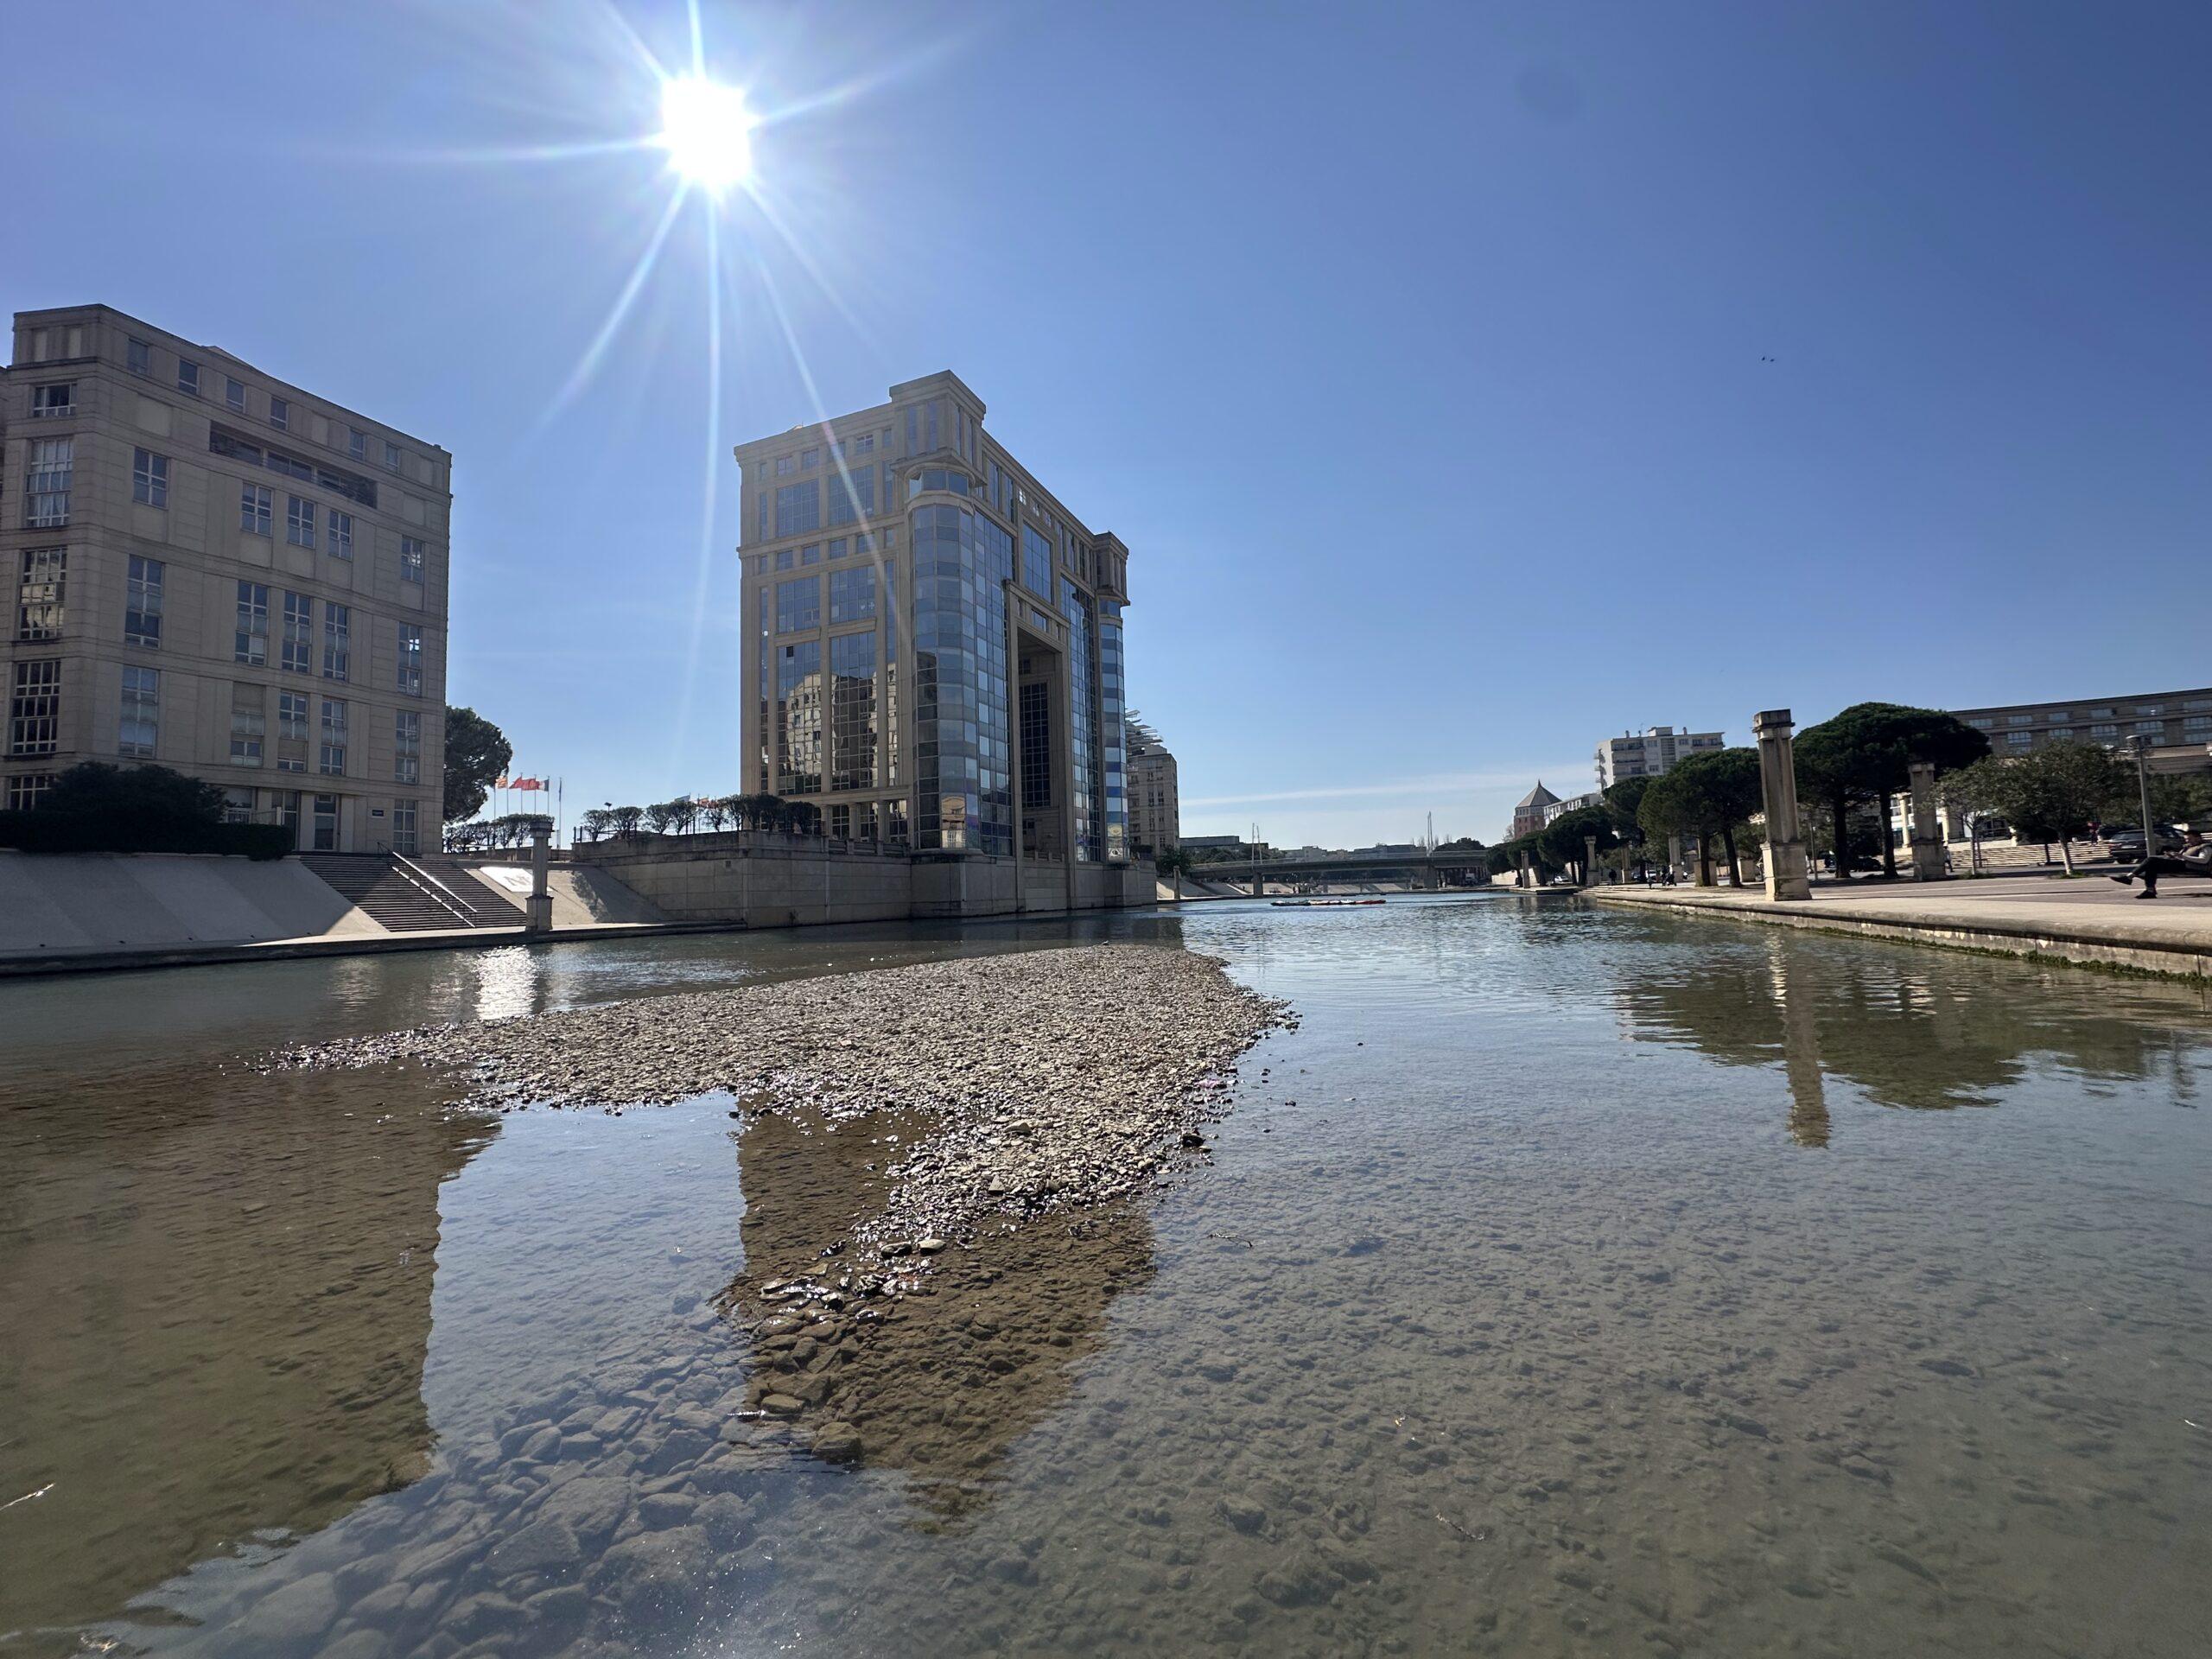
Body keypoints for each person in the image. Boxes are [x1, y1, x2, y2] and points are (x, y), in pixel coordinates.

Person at [2110, 829, 2212, 899]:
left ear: (2198, 838)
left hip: (2192, 867)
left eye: (2190, 839)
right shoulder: (2188, 847)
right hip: (2181, 865)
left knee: (2151, 860)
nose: (2188, 841)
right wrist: (2173, 856)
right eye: (2186, 839)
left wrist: (2182, 856)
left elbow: (2203, 860)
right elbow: (2182, 857)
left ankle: (2129, 877)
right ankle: (2150, 891)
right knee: (2151, 866)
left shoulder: (2205, 847)